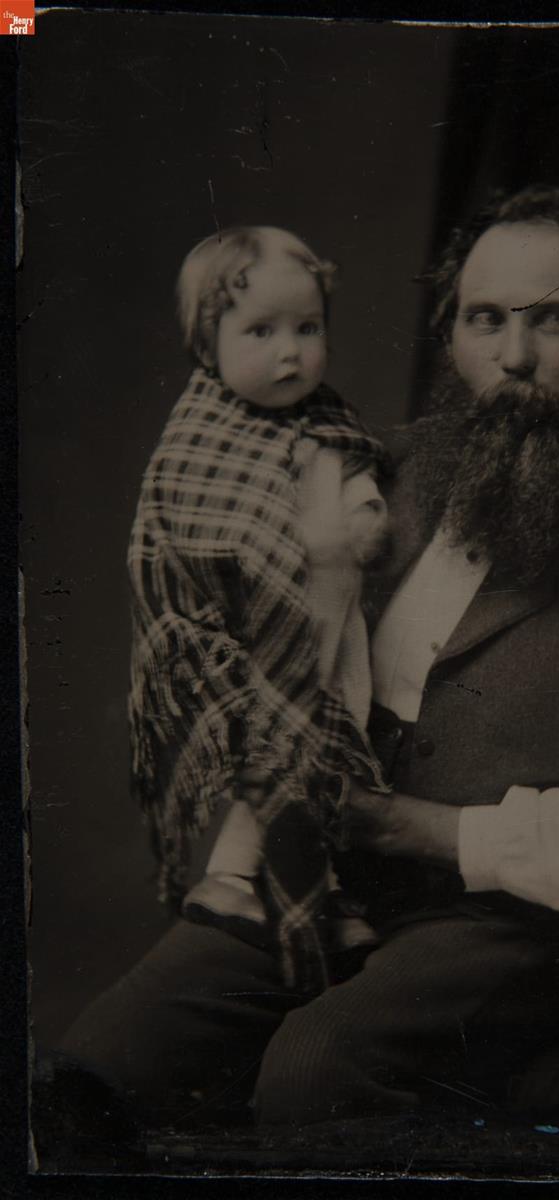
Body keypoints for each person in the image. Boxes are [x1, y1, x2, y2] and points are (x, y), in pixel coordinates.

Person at [57, 184, 559, 1132]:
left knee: (314, 1073)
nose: (513, 358)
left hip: (502, 932)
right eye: (485, 320)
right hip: (317, 883)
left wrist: (415, 829)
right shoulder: (365, 474)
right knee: (94, 1074)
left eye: (554, 322)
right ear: (450, 334)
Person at [125, 224, 390, 996]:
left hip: (332, 635)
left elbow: (357, 486)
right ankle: (231, 878)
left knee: (330, 756)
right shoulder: (199, 435)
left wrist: (367, 515)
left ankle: (322, 890)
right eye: (261, 331)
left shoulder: (328, 424)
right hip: (242, 646)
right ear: (207, 345)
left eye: (308, 329)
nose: (291, 353)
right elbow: (176, 530)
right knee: (264, 765)